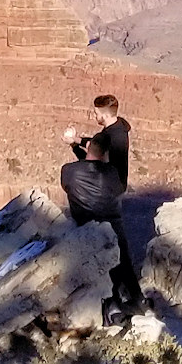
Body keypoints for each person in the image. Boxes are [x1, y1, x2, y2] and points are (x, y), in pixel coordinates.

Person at [60, 129, 144, 317]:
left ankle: (108, 307)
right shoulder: (113, 173)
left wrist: (74, 144)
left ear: (88, 147)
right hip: (113, 227)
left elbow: (79, 174)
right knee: (124, 265)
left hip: (85, 227)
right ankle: (137, 302)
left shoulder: (68, 171)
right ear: (106, 154)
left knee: (101, 272)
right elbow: (106, 177)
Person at [65, 94, 132, 192]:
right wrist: (75, 139)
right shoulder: (117, 127)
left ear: (105, 116)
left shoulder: (114, 137)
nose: (94, 116)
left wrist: (74, 145)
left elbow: (93, 161)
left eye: (96, 113)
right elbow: (94, 144)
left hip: (109, 189)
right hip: (112, 183)